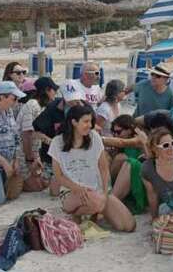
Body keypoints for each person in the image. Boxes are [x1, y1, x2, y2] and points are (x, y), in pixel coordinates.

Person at [48, 104, 135, 232]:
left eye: (91, 121)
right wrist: (77, 188)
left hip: (97, 190)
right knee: (97, 202)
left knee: (128, 225)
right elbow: (58, 175)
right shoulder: (57, 142)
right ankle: (79, 214)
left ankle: (91, 213)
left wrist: (105, 192)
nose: (90, 125)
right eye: (86, 121)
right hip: (70, 191)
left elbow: (104, 169)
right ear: (73, 122)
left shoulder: (94, 138)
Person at [33, 83, 85, 195]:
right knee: (53, 192)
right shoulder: (52, 108)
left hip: (76, 153)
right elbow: (36, 132)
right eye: (71, 99)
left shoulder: (85, 108)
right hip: (54, 155)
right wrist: (53, 143)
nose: (75, 102)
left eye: (77, 99)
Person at [105, 114, 148, 215]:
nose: (115, 134)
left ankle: (109, 202)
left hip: (138, 178)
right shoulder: (122, 143)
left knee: (122, 159)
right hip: (122, 179)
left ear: (129, 130)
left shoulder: (138, 139)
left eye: (118, 131)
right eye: (114, 132)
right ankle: (105, 191)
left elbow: (121, 142)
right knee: (105, 156)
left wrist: (97, 139)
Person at [17, 78, 46, 191]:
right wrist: (30, 160)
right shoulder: (32, 105)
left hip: (33, 151)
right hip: (23, 153)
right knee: (36, 187)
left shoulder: (37, 106)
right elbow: (26, 135)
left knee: (43, 184)